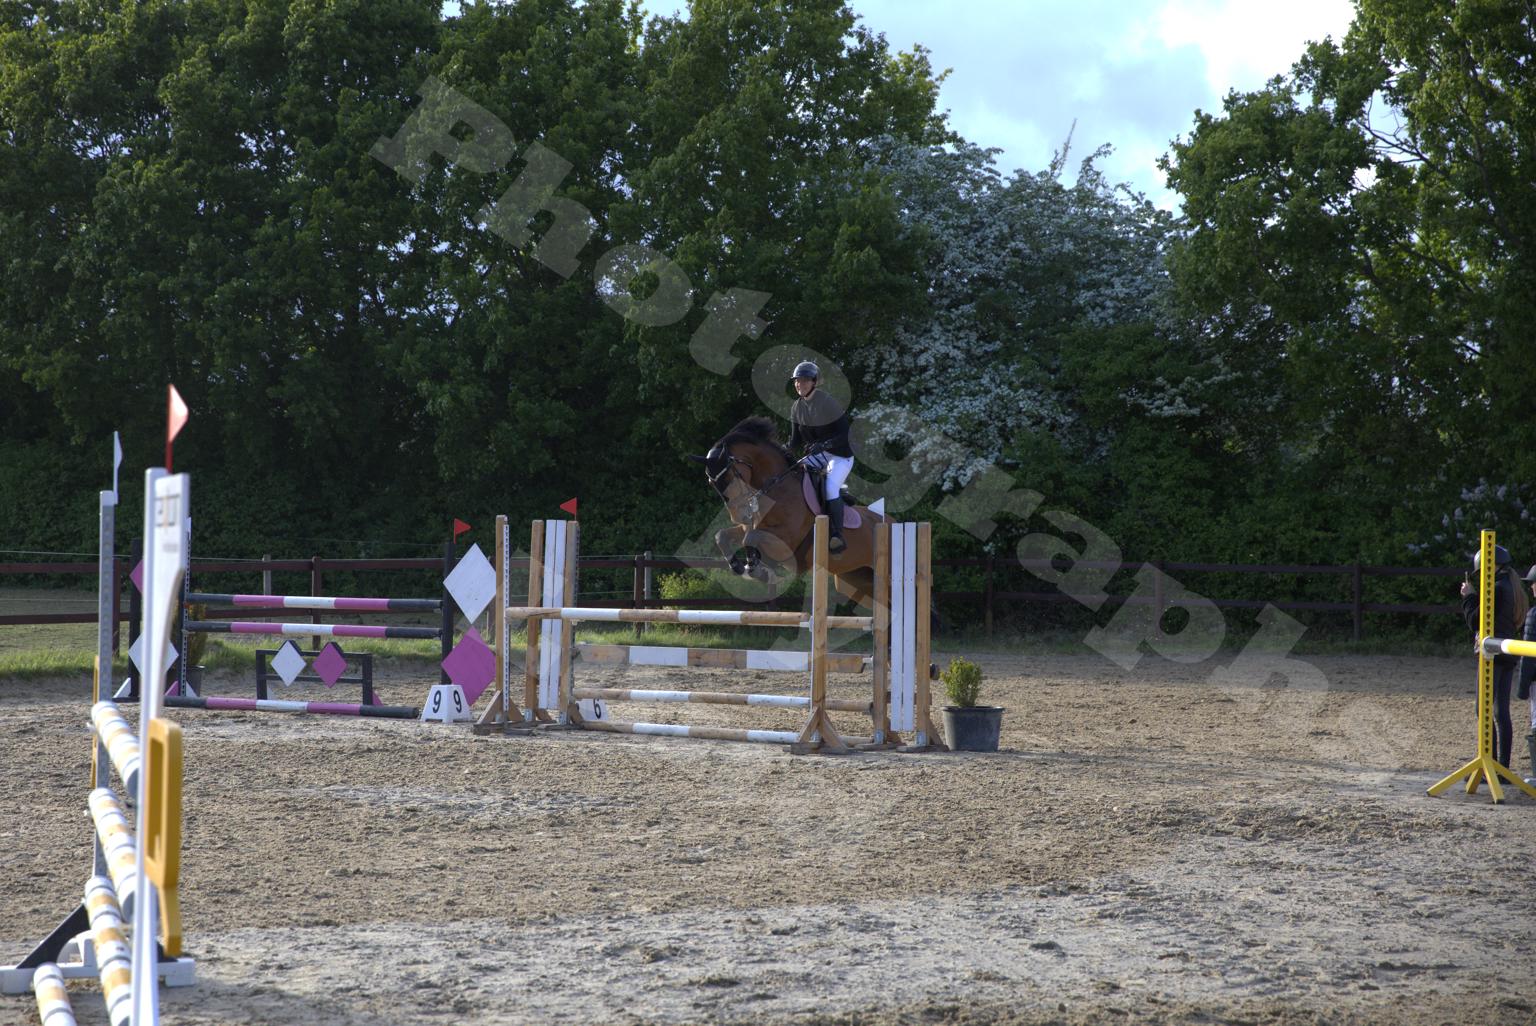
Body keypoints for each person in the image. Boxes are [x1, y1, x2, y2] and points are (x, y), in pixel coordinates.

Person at [1460, 544, 1529, 773]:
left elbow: (1475, 621)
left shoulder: (1497, 588)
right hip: (1507, 654)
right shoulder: (1511, 585)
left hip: (1493, 655)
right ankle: (1503, 768)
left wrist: (1469, 597)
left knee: (1483, 710)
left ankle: (1489, 764)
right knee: (1501, 712)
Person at [785, 360, 854, 553]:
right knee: (792, 476)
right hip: (818, 456)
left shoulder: (827, 402)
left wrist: (825, 445)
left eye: (804, 380)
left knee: (830, 487)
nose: (799, 384)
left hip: (840, 455)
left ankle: (837, 535)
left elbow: (846, 434)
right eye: (797, 380)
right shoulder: (796, 407)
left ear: (814, 382)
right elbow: (795, 441)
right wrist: (781, 451)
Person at [1520, 564, 1536, 785]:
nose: (1531, 587)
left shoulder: (1533, 614)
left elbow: (1527, 656)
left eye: (1533, 583)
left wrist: (1522, 687)